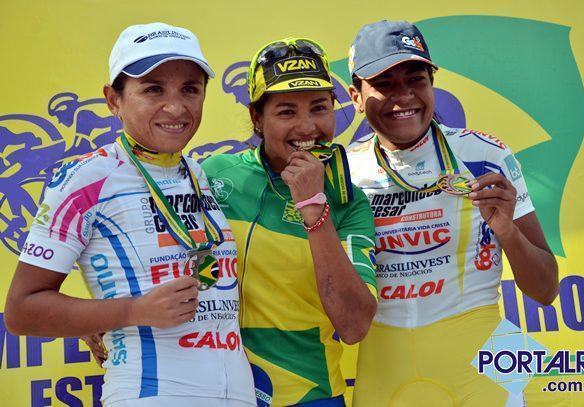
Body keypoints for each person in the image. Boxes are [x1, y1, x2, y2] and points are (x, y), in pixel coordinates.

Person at [4, 22, 255, 407]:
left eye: (190, 88)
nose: (176, 107)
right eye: (153, 89)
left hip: (236, 394)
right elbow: (22, 311)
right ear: (113, 99)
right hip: (151, 394)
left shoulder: (198, 173)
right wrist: (132, 311)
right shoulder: (86, 178)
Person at [345, 20, 559, 406]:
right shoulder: (344, 172)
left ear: (432, 85)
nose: (404, 96)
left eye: (416, 80)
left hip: (478, 347)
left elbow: (546, 290)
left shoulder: (484, 155)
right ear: (356, 96)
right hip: (382, 361)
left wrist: (507, 232)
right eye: (384, 84)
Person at [201, 37, 378, 406]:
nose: (307, 127)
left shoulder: (348, 202)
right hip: (214, 390)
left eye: (319, 108)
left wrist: (315, 207)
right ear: (257, 119)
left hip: (310, 395)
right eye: (286, 112)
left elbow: (354, 325)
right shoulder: (215, 175)